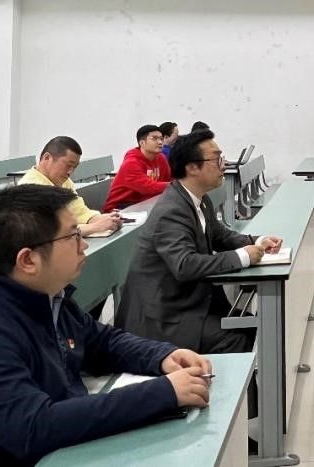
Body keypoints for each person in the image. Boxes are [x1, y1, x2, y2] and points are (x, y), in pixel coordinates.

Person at [0, 184, 216, 467]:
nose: (84, 244)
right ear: (28, 260)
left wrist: (162, 356)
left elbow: (102, 342)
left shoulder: (46, 298)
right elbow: (35, 427)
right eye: (74, 236)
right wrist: (162, 393)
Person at [116, 129, 283, 353]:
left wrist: (257, 240)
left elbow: (219, 235)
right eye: (216, 159)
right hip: (163, 317)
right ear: (192, 167)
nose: (223, 166)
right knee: (236, 335)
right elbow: (185, 265)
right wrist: (243, 256)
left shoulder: (197, 198)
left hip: (187, 302)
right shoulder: (171, 210)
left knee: (246, 325)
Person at [19, 136, 122, 237]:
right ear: (47, 158)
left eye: (74, 167)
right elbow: (51, 232)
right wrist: (96, 226)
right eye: (68, 165)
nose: (70, 172)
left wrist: (104, 219)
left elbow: (80, 212)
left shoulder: (63, 181)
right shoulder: (29, 189)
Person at [103, 125, 172, 212]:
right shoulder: (131, 163)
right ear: (142, 143)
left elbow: (168, 179)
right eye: (154, 138)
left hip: (146, 203)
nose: (160, 142)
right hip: (120, 207)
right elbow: (148, 188)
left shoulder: (161, 158)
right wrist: (177, 185)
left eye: (161, 139)